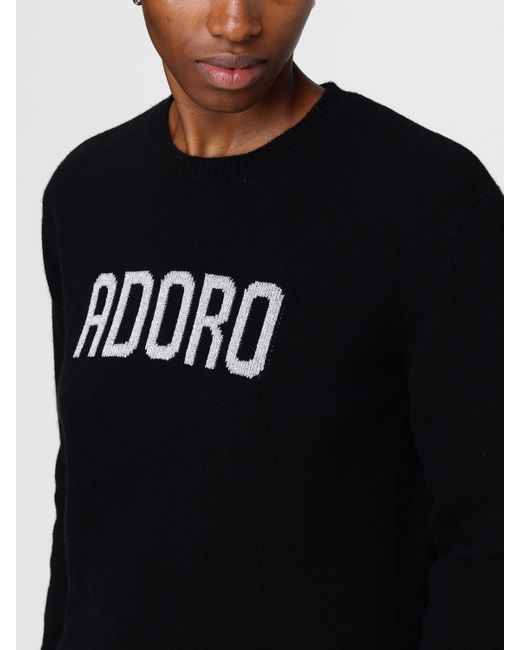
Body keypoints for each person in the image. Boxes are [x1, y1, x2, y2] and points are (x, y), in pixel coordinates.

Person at [40, 1, 504, 649]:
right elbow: (84, 501)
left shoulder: (429, 201)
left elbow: (489, 539)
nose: (237, 23)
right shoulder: (86, 193)